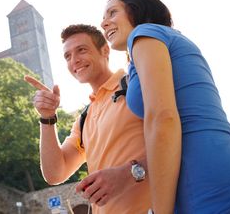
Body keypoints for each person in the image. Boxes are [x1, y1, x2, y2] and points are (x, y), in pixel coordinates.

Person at [100, 0, 230, 213]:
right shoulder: (167, 42)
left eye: (112, 12)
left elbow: (162, 118)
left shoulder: (144, 34)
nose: (104, 23)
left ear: (137, 9)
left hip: (215, 195)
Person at [24, 24, 151, 213]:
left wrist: (128, 173)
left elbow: (183, 140)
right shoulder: (84, 118)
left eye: (81, 50)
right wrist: (47, 118)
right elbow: (55, 174)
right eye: (67, 56)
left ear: (105, 50)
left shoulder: (136, 84)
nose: (74, 60)